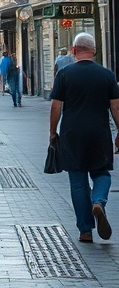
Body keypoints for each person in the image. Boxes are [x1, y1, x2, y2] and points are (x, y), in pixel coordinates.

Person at [49, 32, 119, 243]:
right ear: (94, 51)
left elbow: (56, 106)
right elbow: (115, 106)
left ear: (74, 51)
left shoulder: (64, 74)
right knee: (102, 173)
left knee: (78, 181)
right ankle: (98, 201)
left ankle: (85, 230)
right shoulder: (107, 75)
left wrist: (53, 132)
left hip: (72, 134)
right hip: (100, 132)